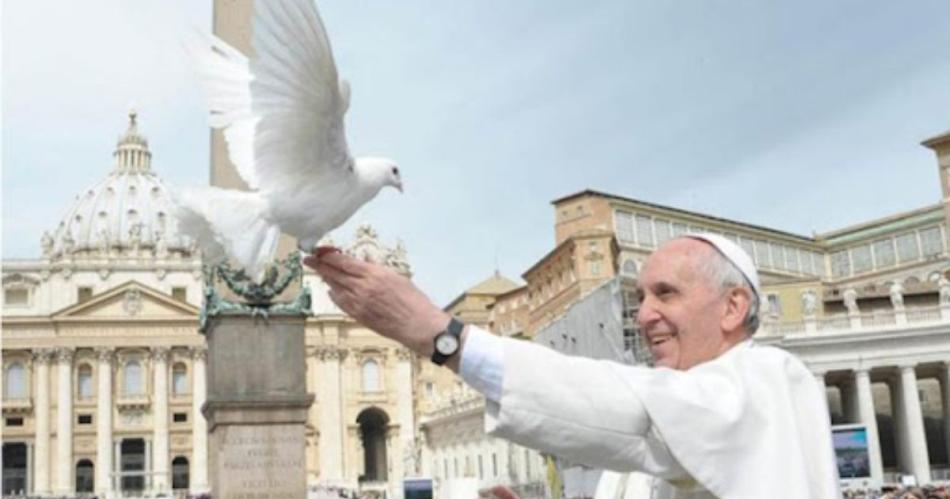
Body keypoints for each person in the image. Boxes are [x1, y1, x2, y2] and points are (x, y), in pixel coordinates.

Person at [304, 234, 841, 498]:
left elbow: (630, 409)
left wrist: (442, 337)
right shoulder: (668, 419)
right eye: (641, 296)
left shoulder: (770, 381)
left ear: (733, 307)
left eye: (666, 294)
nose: (647, 313)